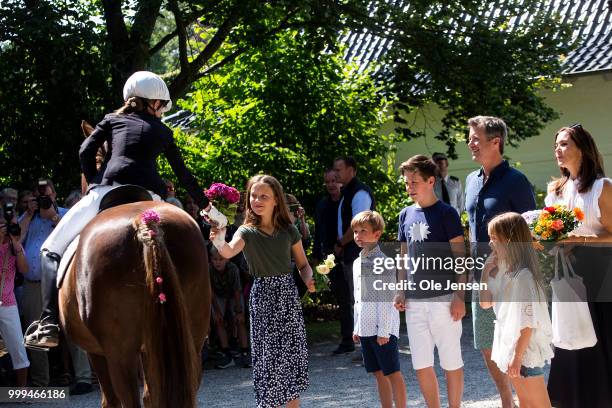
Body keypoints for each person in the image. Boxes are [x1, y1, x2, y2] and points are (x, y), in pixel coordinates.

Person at [24, 71, 227, 349]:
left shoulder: (112, 119)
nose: (160, 111)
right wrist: (208, 209)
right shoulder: (163, 130)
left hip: (107, 190)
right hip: (152, 196)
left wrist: (95, 182)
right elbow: (183, 176)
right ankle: (197, 322)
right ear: (153, 103)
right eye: (160, 105)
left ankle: (48, 323)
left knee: (49, 250)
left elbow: (86, 151)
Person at [210, 174, 315, 408]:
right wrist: (218, 237)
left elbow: (303, 264)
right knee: (269, 362)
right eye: (254, 196)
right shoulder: (246, 232)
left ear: (276, 199)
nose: (257, 200)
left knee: (291, 358)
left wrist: (309, 279)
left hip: (287, 296)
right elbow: (227, 252)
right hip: (264, 297)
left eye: (263, 196)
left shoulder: (289, 230)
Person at [464, 115, 536, 408]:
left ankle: (527, 397)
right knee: (486, 342)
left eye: (476, 138)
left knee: (517, 341)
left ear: (496, 142)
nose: (470, 143)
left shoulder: (517, 181)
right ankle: (507, 399)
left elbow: (530, 229)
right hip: (480, 276)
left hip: (511, 276)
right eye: (470, 137)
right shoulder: (470, 180)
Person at [544, 124, 612, 408]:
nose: (558, 150)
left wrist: (579, 238)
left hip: (602, 273)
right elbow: (551, 233)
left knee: (603, 340)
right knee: (569, 340)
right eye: (556, 145)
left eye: (564, 144)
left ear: (582, 149)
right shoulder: (555, 190)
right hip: (568, 273)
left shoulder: (602, 187)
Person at [394, 155, 466, 408]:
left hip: (445, 301)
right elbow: (403, 257)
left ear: (430, 181)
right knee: (421, 364)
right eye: (406, 183)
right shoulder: (404, 215)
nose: (409, 187)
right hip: (414, 302)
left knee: (451, 362)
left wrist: (460, 296)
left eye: (414, 181)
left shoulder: (447, 213)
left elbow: (460, 257)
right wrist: (400, 291)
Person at [479, 212, 553, 408]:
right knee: (526, 404)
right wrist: (486, 272)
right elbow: (485, 304)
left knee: (538, 405)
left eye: (494, 238)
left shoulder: (524, 277)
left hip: (524, 353)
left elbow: (528, 323)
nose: (490, 244)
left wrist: (517, 358)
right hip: (513, 350)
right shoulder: (505, 272)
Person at [351, 210, 406, 408]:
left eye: (363, 231)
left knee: (392, 372)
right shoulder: (357, 263)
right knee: (377, 372)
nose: (358, 236)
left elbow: (385, 299)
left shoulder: (383, 262)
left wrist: (384, 331)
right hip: (366, 328)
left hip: (383, 329)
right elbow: (358, 298)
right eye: (355, 231)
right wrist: (357, 327)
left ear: (377, 234)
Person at [17, 179, 67, 385]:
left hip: (62, 282)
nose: (44, 199)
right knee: (35, 332)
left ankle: (84, 376)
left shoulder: (64, 213)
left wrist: (53, 216)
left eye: (48, 195)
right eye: (40, 197)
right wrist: (29, 214)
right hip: (33, 284)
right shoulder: (29, 216)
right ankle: (40, 381)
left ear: (55, 194)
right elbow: (15, 239)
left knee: (71, 329)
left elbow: (72, 236)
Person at [333, 156, 375, 354]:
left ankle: (369, 344)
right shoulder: (346, 192)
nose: (335, 173)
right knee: (354, 298)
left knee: (363, 298)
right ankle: (361, 343)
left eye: (339, 169)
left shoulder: (359, 192)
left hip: (360, 253)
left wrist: (341, 243)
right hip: (351, 254)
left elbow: (360, 225)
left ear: (351, 170)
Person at [313, 168, 353, 353]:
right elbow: (318, 232)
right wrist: (316, 255)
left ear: (341, 182)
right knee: (343, 299)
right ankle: (347, 339)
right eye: (327, 182)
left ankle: (363, 337)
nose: (330, 185)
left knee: (356, 297)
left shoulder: (348, 202)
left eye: (333, 181)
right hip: (331, 256)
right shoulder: (322, 205)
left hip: (350, 253)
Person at [0, 208, 29, 386]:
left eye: (5, 226)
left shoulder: (12, 247)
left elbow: (25, 269)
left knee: (18, 348)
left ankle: (22, 391)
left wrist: (16, 245)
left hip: (8, 302)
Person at [209, 246, 250, 369]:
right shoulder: (209, 269)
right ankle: (227, 354)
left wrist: (238, 311)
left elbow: (237, 291)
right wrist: (217, 311)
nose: (218, 262)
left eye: (221, 259)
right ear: (211, 260)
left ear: (227, 259)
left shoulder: (233, 269)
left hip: (233, 294)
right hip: (218, 295)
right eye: (215, 259)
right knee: (219, 321)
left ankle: (244, 352)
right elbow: (210, 291)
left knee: (239, 321)